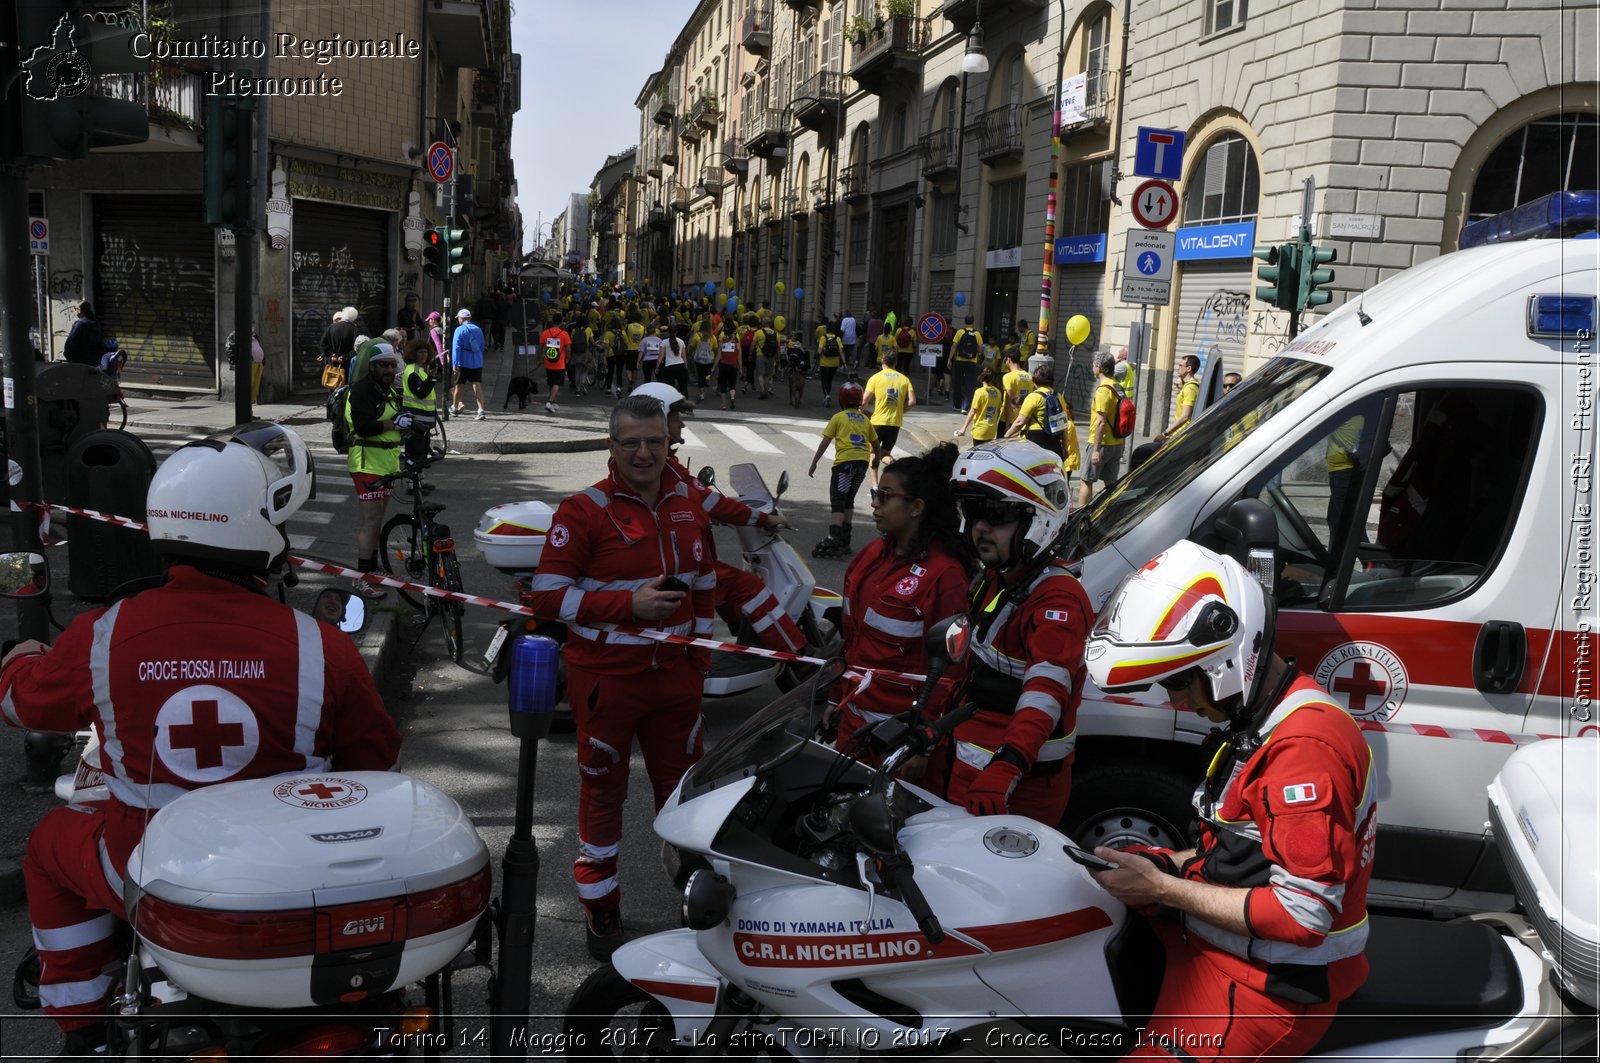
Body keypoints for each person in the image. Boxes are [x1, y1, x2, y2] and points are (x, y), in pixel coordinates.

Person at [0, 424, 400, 1055]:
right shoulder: (320, 646)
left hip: (151, 875)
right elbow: (373, 765)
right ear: (258, 530)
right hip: (289, 881)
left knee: (49, 846)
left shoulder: (101, 634)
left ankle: (82, 1027)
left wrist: (17, 660)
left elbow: (21, 705)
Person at [1083, 540, 1377, 1061]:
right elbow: (1240, 855)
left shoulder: (1302, 752)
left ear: (1226, 657)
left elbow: (1303, 917)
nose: (1172, 700)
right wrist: (1161, 865)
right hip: (1218, 953)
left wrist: (1162, 888)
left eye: (1177, 679)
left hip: (1269, 990)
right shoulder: (1262, 718)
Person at [527, 395, 716, 960]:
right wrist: (627, 604)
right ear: (611, 446)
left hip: (676, 681)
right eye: (630, 442)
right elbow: (547, 596)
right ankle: (600, 908)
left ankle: (697, 905)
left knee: (685, 797)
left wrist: (699, 658)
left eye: (654, 442)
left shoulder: (688, 507)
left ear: (668, 445)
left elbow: (705, 583)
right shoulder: (583, 510)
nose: (643, 452)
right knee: (603, 796)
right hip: (607, 681)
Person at [941, 440, 1093, 824]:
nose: (980, 527)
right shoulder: (997, 577)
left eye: (996, 515)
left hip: (1015, 790)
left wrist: (1008, 765)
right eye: (974, 512)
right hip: (968, 769)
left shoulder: (1056, 599)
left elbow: (1046, 694)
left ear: (1037, 520)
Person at [632, 382, 804, 655]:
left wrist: (699, 515)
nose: (682, 426)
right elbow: (711, 501)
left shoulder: (652, 466)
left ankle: (744, 636)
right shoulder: (666, 468)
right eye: (677, 418)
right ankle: (800, 656)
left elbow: (691, 504)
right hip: (671, 564)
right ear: (659, 420)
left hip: (665, 556)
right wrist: (764, 519)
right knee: (748, 585)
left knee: (723, 581)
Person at [831, 445, 972, 758]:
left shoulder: (945, 576)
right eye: (874, 493)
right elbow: (852, 641)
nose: (874, 503)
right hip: (852, 725)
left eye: (885, 495)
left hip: (898, 741)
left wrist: (923, 745)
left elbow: (950, 674)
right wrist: (835, 700)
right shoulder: (869, 557)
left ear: (916, 507)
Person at [346, 341, 407, 599]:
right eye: (384, 365)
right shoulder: (361, 390)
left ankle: (373, 568)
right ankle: (361, 579)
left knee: (378, 520)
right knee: (371, 521)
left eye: (392, 365)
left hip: (386, 463)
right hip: (366, 463)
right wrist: (394, 424)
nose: (389, 370)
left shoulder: (387, 390)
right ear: (372, 366)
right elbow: (363, 426)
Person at [809, 380, 877, 559]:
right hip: (861, 464)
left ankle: (834, 538)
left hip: (844, 465)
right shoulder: (864, 419)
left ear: (841, 399)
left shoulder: (838, 417)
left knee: (838, 499)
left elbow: (825, 441)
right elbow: (875, 442)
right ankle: (846, 539)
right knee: (849, 499)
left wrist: (814, 462)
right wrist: (875, 459)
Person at [1006, 361, 1081, 479]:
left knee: (1033, 475)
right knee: (1051, 474)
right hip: (1054, 440)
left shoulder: (1033, 396)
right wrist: (1065, 447)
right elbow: (1063, 425)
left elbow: (1020, 422)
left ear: (1035, 380)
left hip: (1035, 440)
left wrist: (1005, 437)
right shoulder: (1059, 396)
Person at [1079, 354, 1126, 509]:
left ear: (1098, 367)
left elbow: (1100, 422)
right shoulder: (1118, 386)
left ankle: (1081, 515)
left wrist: (1096, 450)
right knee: (1111, 484)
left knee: (1086, 480)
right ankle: (1112, 514)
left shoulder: (1102, 391)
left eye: (1094, 364)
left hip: (1101, 443)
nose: (1093, 367)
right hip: (1117, 443)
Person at [863, 350, 915, 488]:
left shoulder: (875, 378)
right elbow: (912, 401)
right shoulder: (904, 380)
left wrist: (861, 413)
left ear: (882, 361)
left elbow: (864, 401)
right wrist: (901, 411)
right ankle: (895, 465)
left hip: (877, 422)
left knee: (873, 453)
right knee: (885, 454)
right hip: (895, 423)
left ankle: (875, 486)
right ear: (896, 363)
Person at [399, 334, 438, 476]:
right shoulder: (412, 372)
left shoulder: (420, 370)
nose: (424, 355)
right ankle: (412, 484)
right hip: (416, 419)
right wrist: (431, 378)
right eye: (420, 352)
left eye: (426, 352)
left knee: (421, 453)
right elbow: (421, 392)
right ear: (413, 354)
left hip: (423, 420)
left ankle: (419, 482)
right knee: (414, 452)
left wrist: (430, 377)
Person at [451, 308, 487, 420]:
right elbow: (482, 346)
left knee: (459, 386)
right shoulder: (478, 329)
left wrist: (454, 363)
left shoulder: (459, 330)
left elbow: (456, 348)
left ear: (461, 318)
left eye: (458, 318)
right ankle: (481, 410)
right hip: (476, 362)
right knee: (477, 385)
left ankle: (455, 408)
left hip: (463, 361)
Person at [1157, 353, 1202, 445]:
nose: (1178, 368)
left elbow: (1185, 417)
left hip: (1183, 435)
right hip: (1179, 433)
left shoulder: (1190, 388)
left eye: (1181, 365)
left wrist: (1165, 433)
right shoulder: (1188, 386)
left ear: (1189, 368)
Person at [956, 366, 1005, 443]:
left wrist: (964, 428)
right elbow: (998, 411)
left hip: (980, 429)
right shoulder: (998, 392)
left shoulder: (980, 392)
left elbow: (973, 411)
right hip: (991, 430)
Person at [949, 316, 984, 412]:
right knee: (969, 384)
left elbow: (954, 346)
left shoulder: (960, 332)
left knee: (958, 383)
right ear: (973, 322)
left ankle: (957, 405)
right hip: (972, 362)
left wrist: (949, 359)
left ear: (965, 322)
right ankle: (965, 407)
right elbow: (980, 349)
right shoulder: (977, 334)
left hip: (960, 360)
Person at [539, 311, 571, 414]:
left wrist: (539, 357)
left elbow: (540, 347)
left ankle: (554, 403)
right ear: (561, 322)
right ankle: (550, 402)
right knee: (557, 383)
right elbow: (568, 348)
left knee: (551, 383)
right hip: (559, 363)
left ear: (552, 321)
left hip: (548, 361)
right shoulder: (564, 334)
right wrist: (567, 358)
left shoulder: (545, 333)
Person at [62, 301, 104, 366]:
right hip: (94, 362)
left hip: (80, 363)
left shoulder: (80, 324)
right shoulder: (96, 323)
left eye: (75, 309)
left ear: (79, 310)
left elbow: (71, 343)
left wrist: (67, 355)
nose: (75, 311)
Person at [716, 316, 742, 410]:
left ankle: (723, 404)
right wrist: (741, 368)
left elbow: (719, 355)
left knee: (723, 386)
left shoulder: (722, 339)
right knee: (732, 385)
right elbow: (739, 356)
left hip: (723, 364)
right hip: (733, 364)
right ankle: (732, 397)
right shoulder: (737, 340)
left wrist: (714, 366)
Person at [1001, 349, 1032, 424]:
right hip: (1023, 419)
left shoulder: (1008, 376)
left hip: (1009, 420)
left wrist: (1007, 425)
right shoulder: (1029, 377)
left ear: (1009, 359)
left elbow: (1009, 402)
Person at [817, 321, 844, 407]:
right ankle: (827, 394)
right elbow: (841, 351)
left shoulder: (823, 338)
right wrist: (844, 362)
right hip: (835, 363)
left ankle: (826, 395)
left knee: (824, 380)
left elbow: (820, 350)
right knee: (830, 380)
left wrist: (817, 355)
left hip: (824, 363)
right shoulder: (837, 338)